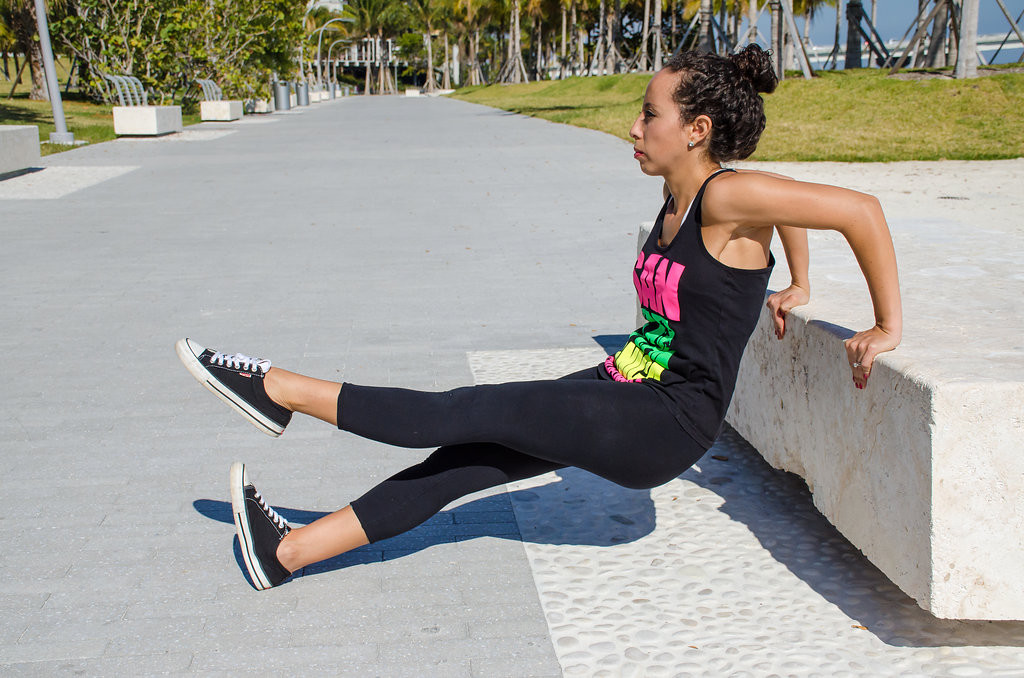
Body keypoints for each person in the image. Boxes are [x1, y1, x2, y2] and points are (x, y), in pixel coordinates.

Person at [176, 44, 901, 591]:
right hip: (626, 387)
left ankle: (275, 388)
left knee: (464, 411)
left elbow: (859, 212)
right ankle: (290, 552)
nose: (635, 125)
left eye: (651, 113)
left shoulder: (725, 198)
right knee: (463, 463)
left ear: (696, 129)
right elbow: (789, 204)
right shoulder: (686, 198)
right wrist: (795, 283)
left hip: (664, 419)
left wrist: (884, 326)